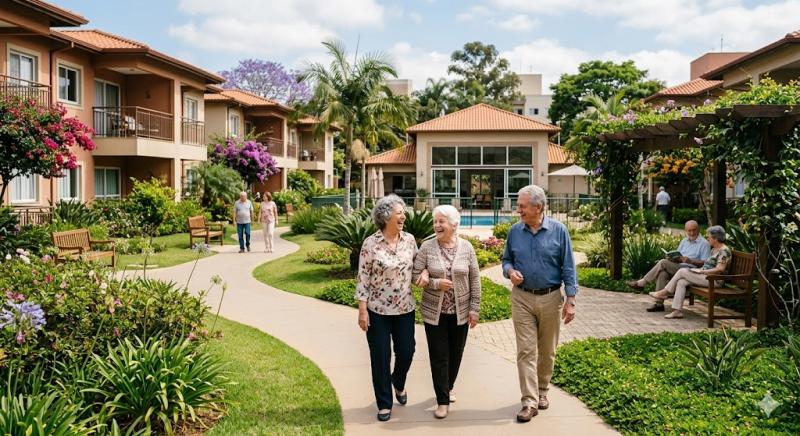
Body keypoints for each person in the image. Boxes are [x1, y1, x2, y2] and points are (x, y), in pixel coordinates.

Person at [501, 185, 578, 423]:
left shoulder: (559, 231)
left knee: (547, 350)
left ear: (538, 207)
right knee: (525, 350)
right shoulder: (515, 231)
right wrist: (510, 271)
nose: (518, 210)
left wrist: (571, 299)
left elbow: (568, 266)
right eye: (519, 206)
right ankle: (529, 401)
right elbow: (506, 260)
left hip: (551, 297)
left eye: (522, 206)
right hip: (522, 297)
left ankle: (543, 390)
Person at [412, 205, 481, 419]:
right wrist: (434, 283)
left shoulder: (467, 248)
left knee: (456, 354)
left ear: (454, 224)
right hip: (435, 312)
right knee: (439, 356)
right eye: (435, 221)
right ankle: (442, 400)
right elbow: (415, 276)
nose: (437, 225)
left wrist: (474, 308)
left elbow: (475, 279)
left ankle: (448, 387)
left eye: (441, 221)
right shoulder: (427, 247)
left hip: (460, 312)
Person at [356, 194, 418, 422]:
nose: (403, 216)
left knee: (407, 351)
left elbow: (418, 266)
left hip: (404, 308)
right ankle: (384, 403)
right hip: (377, 310)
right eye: (399, 212)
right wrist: (362, 310)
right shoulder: (370, 244)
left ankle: (398, 382)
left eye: (403, 212)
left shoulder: (410, 240)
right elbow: (363, 277)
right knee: (380, 356)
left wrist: (427, 275)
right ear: (385, 216)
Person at [649, 225, 731, 319]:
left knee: (682, 271)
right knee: (681, 282)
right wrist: (699, 271)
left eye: (709, 237)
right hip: (705, 277)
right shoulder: (714, 249)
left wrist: (702, 272)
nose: (708, 239)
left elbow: (719, 269)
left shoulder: (724, 251)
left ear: (715, 238)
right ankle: (677, 311)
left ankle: (664, 292)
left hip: (714, 280)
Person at [627, 220, 711, 312]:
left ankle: (643, 282)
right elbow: (678, 255)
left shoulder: (704, 244)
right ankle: (659, 304)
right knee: (662, 273)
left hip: (690, 271)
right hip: (678, 268)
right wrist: (672, 258)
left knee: (663, 263)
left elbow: (705, 263)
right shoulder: (684, 241)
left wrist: (690, 260)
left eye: (694, 230)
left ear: (698, 229)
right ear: (685, 230)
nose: (692, 233)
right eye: (689, 230)